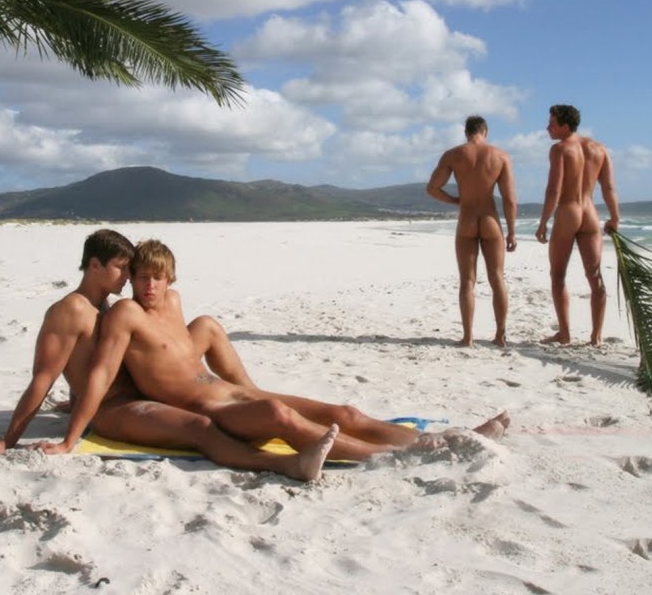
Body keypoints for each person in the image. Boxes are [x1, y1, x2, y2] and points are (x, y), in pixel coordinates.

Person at [39, 239, 510, 463]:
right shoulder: (125, 314)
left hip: (232, 392)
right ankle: (394, 455)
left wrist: (256, 395)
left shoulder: (176, 304)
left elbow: (170, 354)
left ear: (171, 278)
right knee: (283, 418)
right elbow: (102, 373)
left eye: (157, 278)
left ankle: (451, 437)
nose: (148, 286)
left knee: (342, 411)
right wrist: (75, 422)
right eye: (140, 277)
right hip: (209, 409)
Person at [0, 228, 337, 482]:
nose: (129, 278)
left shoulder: (104, 305)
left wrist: (74, 399)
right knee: (201, 428)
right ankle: (286, 465)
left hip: (139, 400)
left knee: (225, 414)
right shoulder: (71, 310)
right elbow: (43, 377)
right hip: (115, 411)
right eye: (121, 269)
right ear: (94, 266)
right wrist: (11, 440)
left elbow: (90, 363)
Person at [426, 115, 518, 347]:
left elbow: (432, 188)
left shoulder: (453, 155)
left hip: (467, 219)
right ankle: (500, 335)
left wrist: (457, 200)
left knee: (467, 281)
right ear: (485, 132)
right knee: (497, 277)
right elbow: (509, 199)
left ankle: (468, 337)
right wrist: (512, 231)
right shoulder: (500, 156)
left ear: (466, 132)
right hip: (490, 220)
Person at [534, 105, 620, 346]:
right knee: (595, 276)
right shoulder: (599, 149)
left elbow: (554, 189)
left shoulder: (560, 149)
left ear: (565, 126)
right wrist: (615, 217)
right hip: (590, 213)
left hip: (568, 211)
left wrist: (543, 222)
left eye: (552, 124)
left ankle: (564, 333)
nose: (547, 128)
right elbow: (608, 187)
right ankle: (596, 336)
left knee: (557, 275)